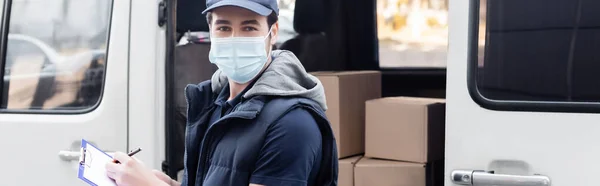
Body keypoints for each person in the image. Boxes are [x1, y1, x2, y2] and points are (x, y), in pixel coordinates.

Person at [105, 0, 339, 185]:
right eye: (224, 27)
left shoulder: (292, 124)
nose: (235, 38)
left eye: (249, 27)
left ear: (273, 32)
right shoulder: (216, 104)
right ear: (211, 31)